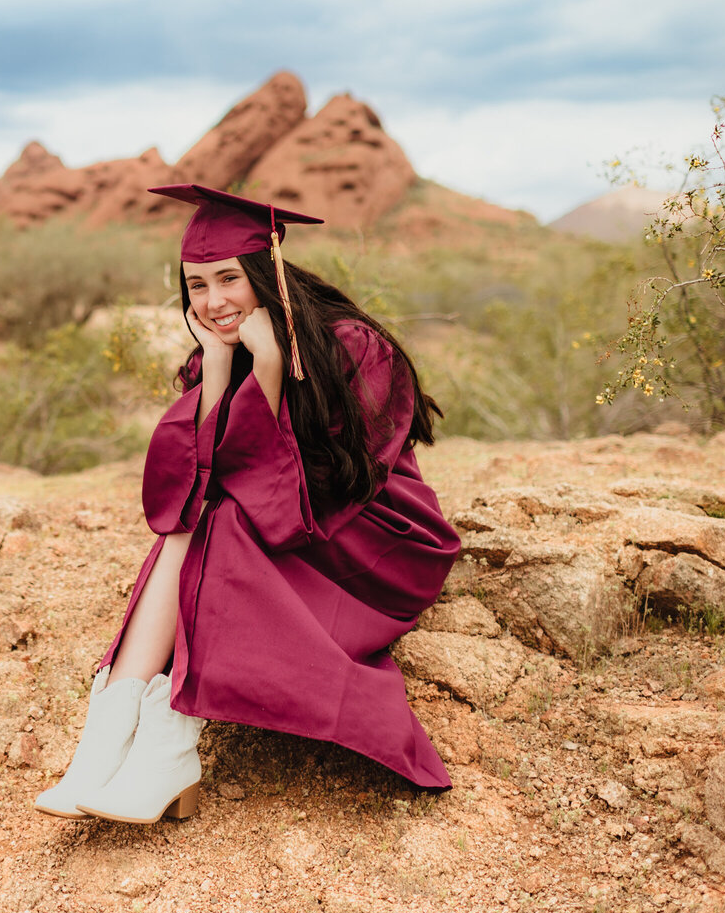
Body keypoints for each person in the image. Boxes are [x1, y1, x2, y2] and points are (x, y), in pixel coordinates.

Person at [34, 183, 461, 824]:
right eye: (196, 285)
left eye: (228, 278)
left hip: (375, 539)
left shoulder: (354, 347)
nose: (213, 302)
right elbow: (185, 490)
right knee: (201, 519)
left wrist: (266, 366)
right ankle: (110, 744)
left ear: (267, 270)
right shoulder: (215, 354)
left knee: (219, 520)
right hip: (277, 528)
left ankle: (163, 751)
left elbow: (308, 493)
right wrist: (215, 365)